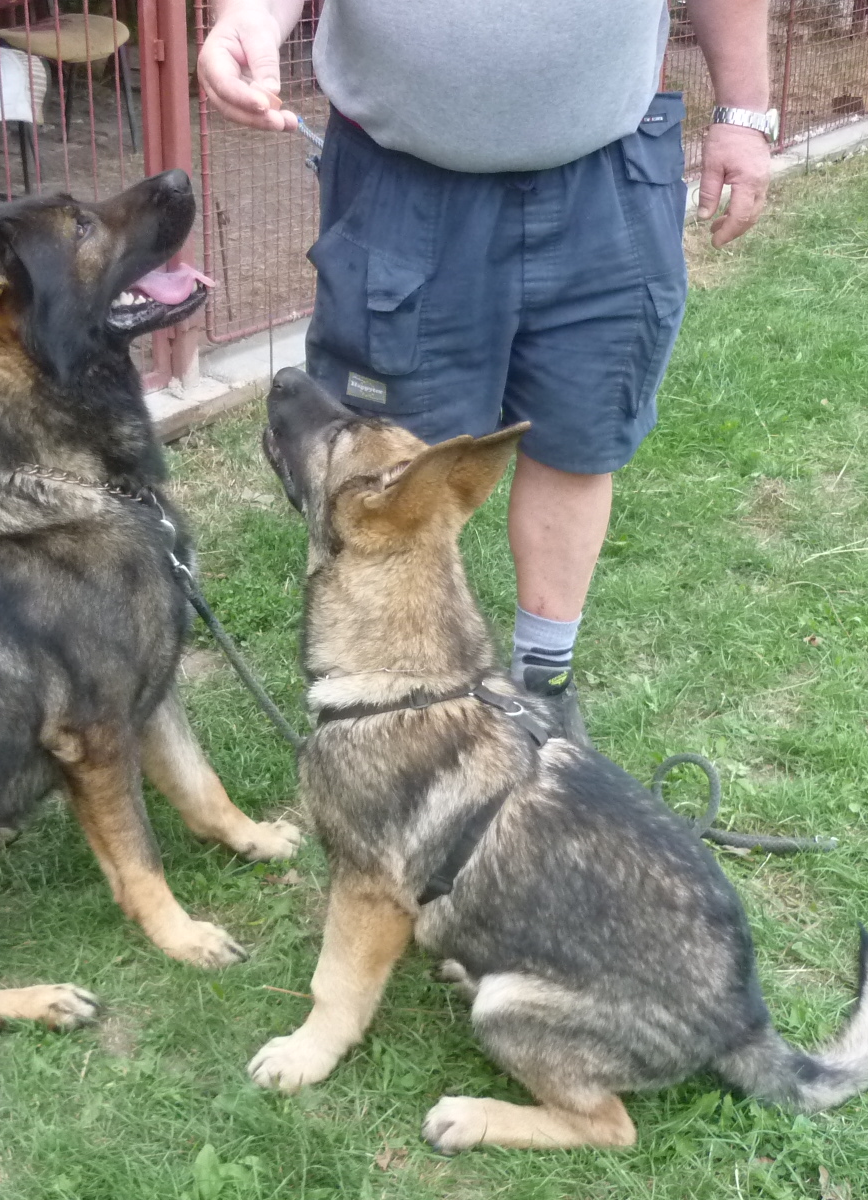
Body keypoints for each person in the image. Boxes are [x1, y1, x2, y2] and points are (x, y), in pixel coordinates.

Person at [199, 0, 773, 742]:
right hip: (404, 180)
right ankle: (397, 703)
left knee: (578, 441)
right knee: (383, 476)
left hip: (606, 171)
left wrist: (743, 114)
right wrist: (247, 15)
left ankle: (544, 685)